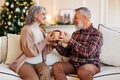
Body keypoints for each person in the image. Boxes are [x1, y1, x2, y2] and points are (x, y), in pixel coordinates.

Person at [52, 7, 103, 80]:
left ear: (84, 17)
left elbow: (88, 52)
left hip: (90, 64)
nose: (73, 20)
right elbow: (67, 53)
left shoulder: (97, 34)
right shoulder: (75, 34)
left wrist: (70, 41)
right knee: (57, 66)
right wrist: (56, 45)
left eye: (75, 17)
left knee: (82, 71)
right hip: (74, 65)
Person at [9, 4, 53, 80]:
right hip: (25, 62)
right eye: (43, 14)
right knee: (33, 78)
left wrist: (53, 45)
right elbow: (30, 52)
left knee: (46, 73)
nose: (45, 17)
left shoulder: (41, 31)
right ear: (35, 15)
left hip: (39, 62)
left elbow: (44, 51)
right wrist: (45, 40)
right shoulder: (26, 30)